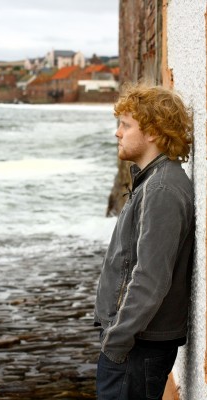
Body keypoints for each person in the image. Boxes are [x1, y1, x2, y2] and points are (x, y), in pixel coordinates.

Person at [94, 83, 195, 400]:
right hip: (138, 344)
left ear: (153, 132)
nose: (117, 133)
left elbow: (150, 277)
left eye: (125, 125)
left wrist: (116, 341)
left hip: (137, 346)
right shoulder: (154, 181)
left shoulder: (161, 189)